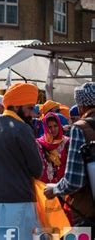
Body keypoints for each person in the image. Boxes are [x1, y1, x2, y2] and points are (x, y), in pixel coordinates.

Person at [0, 83, 42, 240]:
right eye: (30, 108)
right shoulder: (22, 128)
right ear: (17, 106)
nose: (32, 114)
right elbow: (37, 169)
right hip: (19, 202)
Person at [45, 82, 95, 226]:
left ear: (81, 106)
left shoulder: (80, 128)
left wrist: (54, 189)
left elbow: (74, 180)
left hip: (86, 214)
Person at [36, 112, 69, 183]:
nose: (53, 129)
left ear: (59, 126)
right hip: (46, 186)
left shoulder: (66, 142)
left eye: (55, 126)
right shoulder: (39, 143)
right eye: (49, 127)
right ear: (45, 128)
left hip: (64, 185)